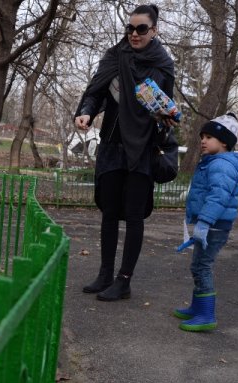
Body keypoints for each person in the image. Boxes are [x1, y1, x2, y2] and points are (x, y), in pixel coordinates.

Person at [74, 4, 177, 301]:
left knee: (133, 215)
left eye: (141, 29)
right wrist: (86, 113)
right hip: (111, 144)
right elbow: (95, 90)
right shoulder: (115, 55)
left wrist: (166, 116)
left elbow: (164, 104)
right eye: (130, 28)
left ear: (154, 30)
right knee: (108, 212)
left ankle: (124, 280)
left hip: (141, 148)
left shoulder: (162, 64)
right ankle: (105, 273)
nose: (134, 34)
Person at [174, 113, 238, 331]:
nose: (203, 141)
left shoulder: (221, 165)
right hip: (211, 224)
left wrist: (204, 222)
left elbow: (218, 196)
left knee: (202, 267)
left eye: (209, 137)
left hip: (214, 226)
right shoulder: (213, 162)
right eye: (202, 137)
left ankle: (206, 315)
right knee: (198, 265)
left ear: (224, 141)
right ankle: (198, 308)